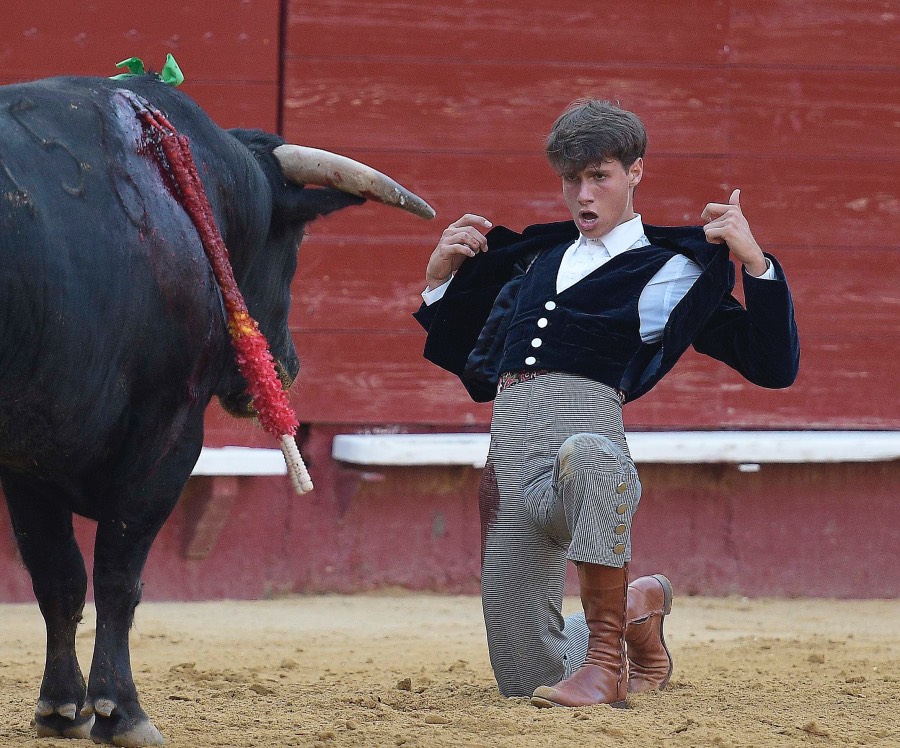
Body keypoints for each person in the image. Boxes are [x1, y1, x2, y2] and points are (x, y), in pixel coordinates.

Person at [413, 99, 800, 708]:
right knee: (524, 678)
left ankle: (603, 666)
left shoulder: (669, 268)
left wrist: (755, 263)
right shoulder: (537, 257)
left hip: (588, 477)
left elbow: (773, 366)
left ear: (635, 173)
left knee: (589, 456)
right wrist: (439, 280)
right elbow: (475, 363)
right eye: (572, 179)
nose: (584, 195)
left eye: (600, 176)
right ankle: (637, 605)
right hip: (511, 476)